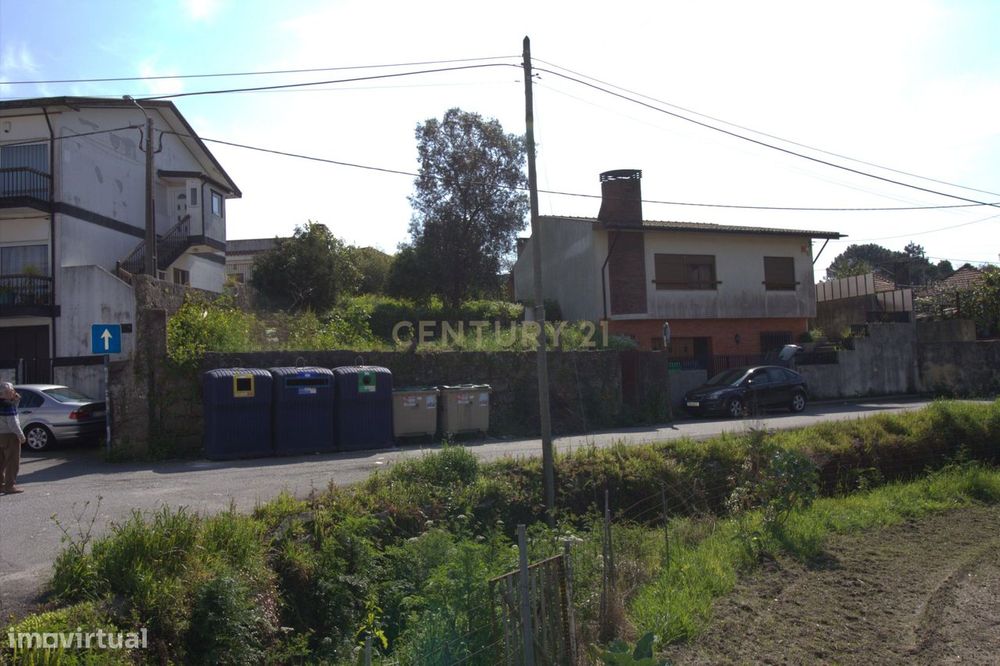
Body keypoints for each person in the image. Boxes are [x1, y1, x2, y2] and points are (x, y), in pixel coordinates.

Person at [0, 381, 26, 494]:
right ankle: (10, 486)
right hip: (10, 436)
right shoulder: (8, 406)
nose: (13, 392)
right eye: (11, 391)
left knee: (1, 462)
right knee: (12, 461)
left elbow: (14, 404)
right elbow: (13, 423)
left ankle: (1, 485)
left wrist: (16, 399)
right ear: (4, 393)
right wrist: (21, 435)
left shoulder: (8, 403)